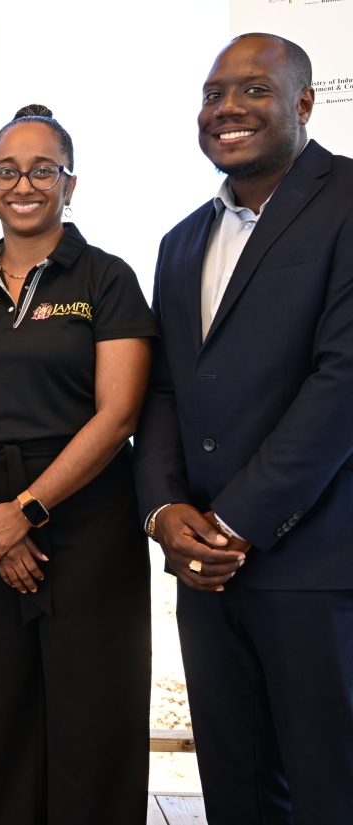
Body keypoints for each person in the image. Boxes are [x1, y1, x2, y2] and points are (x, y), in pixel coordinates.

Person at [134, 34, 353, 825]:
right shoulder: (181, 241)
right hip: (206, 575)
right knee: (237, 790)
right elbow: (164, 390)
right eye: (213, 93)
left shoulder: (347, 201)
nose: (226, 108)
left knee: (331, 790)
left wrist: (233, 523)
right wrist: (165, 512)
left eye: (254, 89)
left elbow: (342, 382)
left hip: (318, 567)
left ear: (304, 102)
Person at [0, 104, 156, 824]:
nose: (22, 184)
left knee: (94, 709)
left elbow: (117, 415)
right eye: (7, 170)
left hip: (87, 517)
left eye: (42, 170)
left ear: (70, 184)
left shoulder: (107, 278)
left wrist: (26, 511)